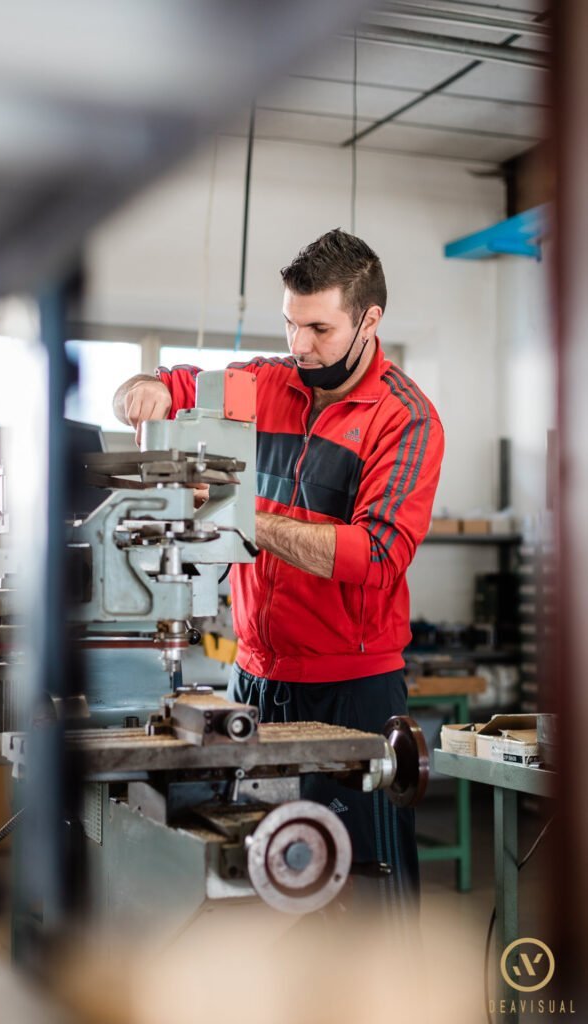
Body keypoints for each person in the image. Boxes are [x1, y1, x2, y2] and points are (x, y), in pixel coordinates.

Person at [113, 229, 444, 916]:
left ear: (368, 320)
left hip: (352, 693)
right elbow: (178, 386)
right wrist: (145, 388)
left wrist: (242, 518)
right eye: (290, 325)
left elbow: (376, 556)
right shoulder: (268, 383)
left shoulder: (404, 420)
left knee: (363, 896)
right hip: (255, 679)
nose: (300, 346)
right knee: (264, 882)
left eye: (319, 329)